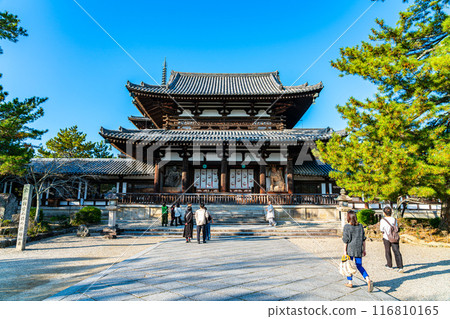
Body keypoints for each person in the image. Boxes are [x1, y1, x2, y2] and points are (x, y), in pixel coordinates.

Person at [342, 210, 373, 292]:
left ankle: (350, 282)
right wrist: (364, 249)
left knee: (349, 266)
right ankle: (368, 279)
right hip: (358, 248)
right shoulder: (360, 226)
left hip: (350, 248)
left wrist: (344, 251)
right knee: (359, 265)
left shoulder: (347, 227)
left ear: (348, 217)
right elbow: (363, 239)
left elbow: (346, 240)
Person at [380, 206, 404, 272]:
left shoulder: (383, 220)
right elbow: (396, 228)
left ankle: (389, 264)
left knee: (387, 251)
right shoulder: (394, 219)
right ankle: (400, 266)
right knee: (396, 251)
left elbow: (381, 229)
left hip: (386, 237)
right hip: (394, 237)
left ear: (384, 213)